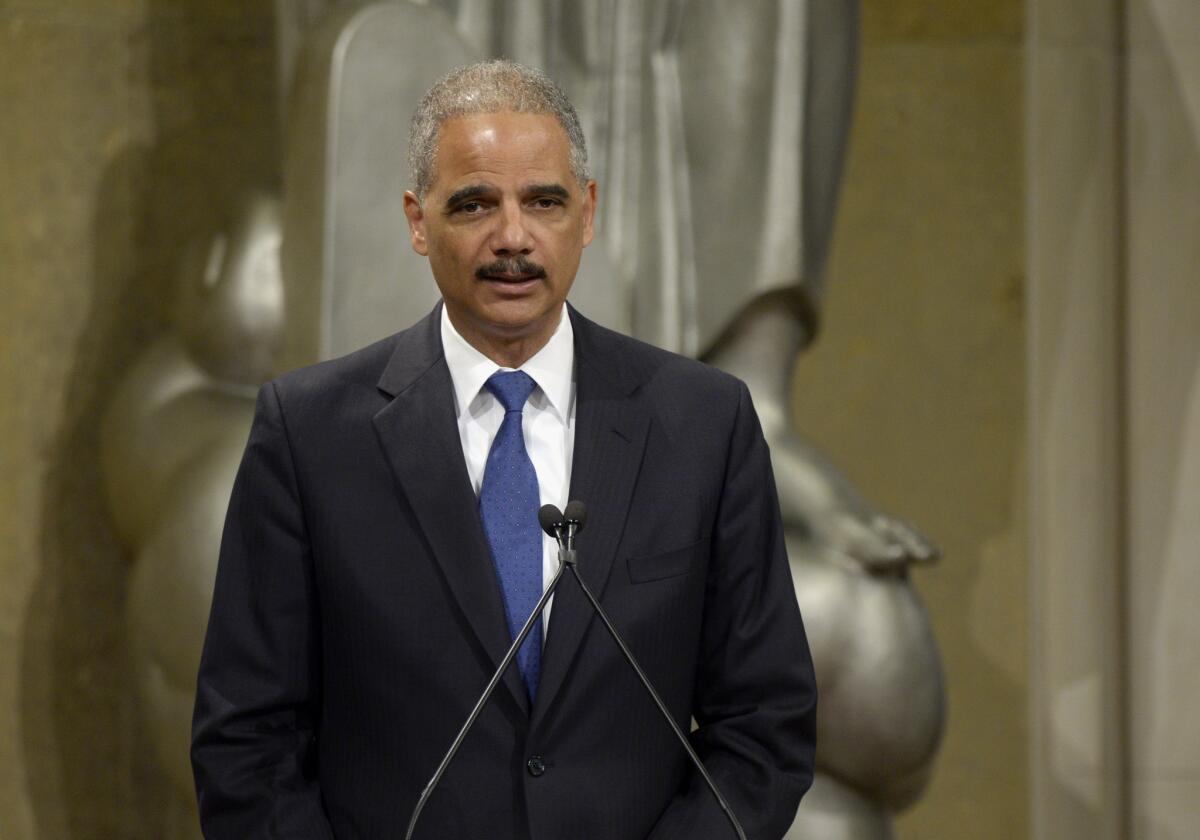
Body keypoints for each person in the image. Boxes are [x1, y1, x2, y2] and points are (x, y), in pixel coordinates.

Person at [191, 60, 816, 839]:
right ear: (419, 222)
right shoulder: (310, 434)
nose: (512, 237)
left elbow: (765, 722)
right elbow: (246, 741)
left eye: (544, 202)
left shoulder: (702, 424)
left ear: (586, 213)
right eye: (475, 204)